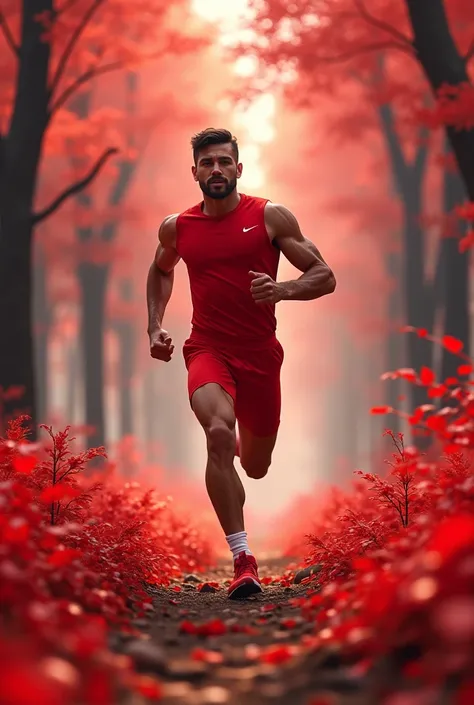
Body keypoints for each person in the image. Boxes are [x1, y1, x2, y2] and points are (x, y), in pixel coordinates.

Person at [147, 128, 336, 600]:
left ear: (238, 168)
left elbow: (324, 276)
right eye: (207, 163)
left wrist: (283, 290)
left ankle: (235, 443)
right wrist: (155, 326)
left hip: (260, 356)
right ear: (194, 172)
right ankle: (242, 557)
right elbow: (161, 270)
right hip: (206, 348)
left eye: (224, 162)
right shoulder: (179, 227)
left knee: (255, 466)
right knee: (216, 433)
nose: (216, 170)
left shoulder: (269, 217)